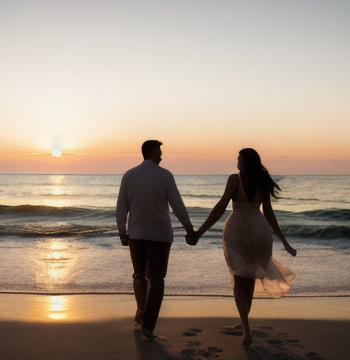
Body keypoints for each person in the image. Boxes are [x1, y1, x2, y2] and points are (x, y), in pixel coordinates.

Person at [190, 148, 296, 346]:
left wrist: (199, 232)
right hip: (260, 231)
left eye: (239, 159)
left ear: (245, 162)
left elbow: (221, 207)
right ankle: (244, 324)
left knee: (240, 279)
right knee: (248, 281)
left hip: (236, 231)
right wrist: (284, 242)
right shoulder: (262, 181)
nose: (237, 162)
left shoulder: (234, 179)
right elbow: (270, 214)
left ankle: (246, 329)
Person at [116, 140, 195, 342]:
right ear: (151, 152)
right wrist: (188, 227)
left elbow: (121, 207)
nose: (161, 155)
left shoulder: (129, 175)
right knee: (157, 280)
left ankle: (141, 312)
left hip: (136, 234)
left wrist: (121, 231)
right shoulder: (165, 175)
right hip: (160, 235)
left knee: (139, 275)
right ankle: (147, 328)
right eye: (159, 151)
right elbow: (177, 204)